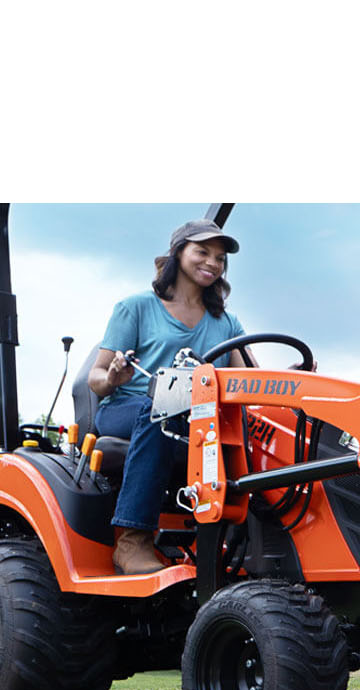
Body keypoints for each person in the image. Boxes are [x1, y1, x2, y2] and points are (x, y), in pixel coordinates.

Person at [88, 219, 247, 574]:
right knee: (160, 409)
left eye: (220, 258)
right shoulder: (137, 307)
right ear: (178, 253)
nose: (212, 263)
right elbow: (96, 380)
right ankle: (132, 540)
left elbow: (250, 380)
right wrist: (114, 374)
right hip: (129, 408)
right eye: (202, 252)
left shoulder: (227, 323)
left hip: (198, 420)